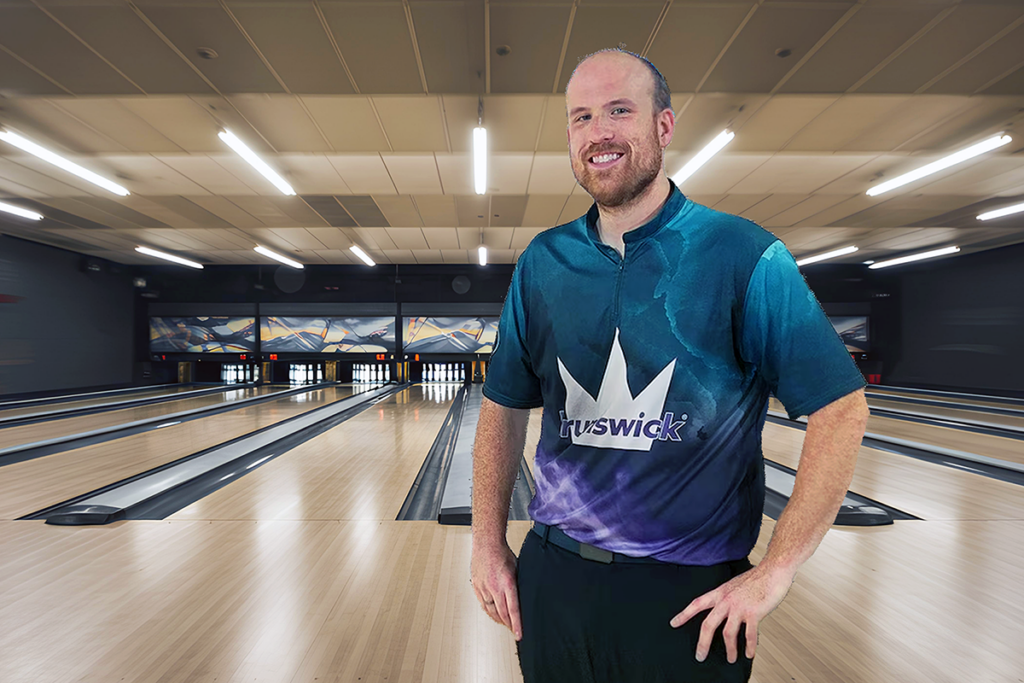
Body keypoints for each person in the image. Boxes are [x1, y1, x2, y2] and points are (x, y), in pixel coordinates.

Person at [469, 47, 869, 683]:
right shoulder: (542, 263)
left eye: (619, 110)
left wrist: (775, 573)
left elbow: (841, 408)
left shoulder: (744, 255)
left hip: (689, 602)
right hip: (554, 580)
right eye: (581, 117)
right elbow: (502, 406)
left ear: (663, 126)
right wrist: (486, 543)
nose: (598, 132)